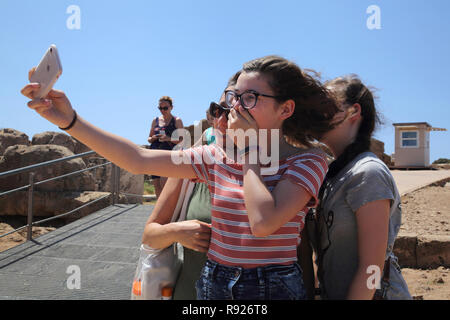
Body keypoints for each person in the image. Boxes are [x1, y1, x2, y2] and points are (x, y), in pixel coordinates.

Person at [21, 55, 340, 300]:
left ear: (285, 110)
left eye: (250, 98)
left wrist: (251, 150)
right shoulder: (217, 156)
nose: (235, 108)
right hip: (213, 281)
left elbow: (263, 222)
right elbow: (138, 158)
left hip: (272, 286)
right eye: (234, 97)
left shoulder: (308, 160)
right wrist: (70, 120)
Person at [306, 75, 412, 300]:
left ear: (353, 112)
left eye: (326, 104)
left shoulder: (368, 173)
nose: (316, 112)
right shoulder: (332, 175)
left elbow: (372, 268)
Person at [141, 79, 236, 299]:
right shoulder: (193, 169)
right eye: (216, 110)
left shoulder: (283, 170)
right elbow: (149, 236)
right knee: (159, 187)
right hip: (189, 293)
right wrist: (176, 231)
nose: (221, 119)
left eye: (230, 112)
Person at [147, 96, 184, 198]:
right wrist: (153, 137)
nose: (162, 110)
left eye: (165, 108)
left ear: (171, 107)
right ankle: (159, 211)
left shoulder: (177, 120)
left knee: (165, 184)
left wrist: (168, 138)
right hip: (154, 155)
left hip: (168, 155)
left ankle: (169, 211)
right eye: (160, 108)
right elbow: (149, 138)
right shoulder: (155, 120)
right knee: (157, 186)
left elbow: (183, 139)